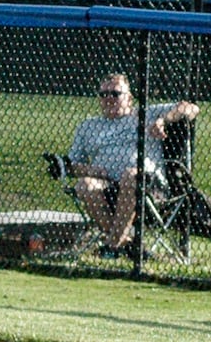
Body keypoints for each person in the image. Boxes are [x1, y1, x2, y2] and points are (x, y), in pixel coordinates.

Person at [66, 72, 200, 256]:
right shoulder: (89, 126)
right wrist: (93, 170)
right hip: (108, 186)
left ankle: (112, 247)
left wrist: (163, 120)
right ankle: (128, 244)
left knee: (131, 175)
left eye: (115, 94)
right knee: (84, 185)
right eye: (103, 94)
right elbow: (71, 165)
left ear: (129, 98)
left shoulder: (146, 114)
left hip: (148, 188)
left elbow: (190, 108)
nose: (108, 99)